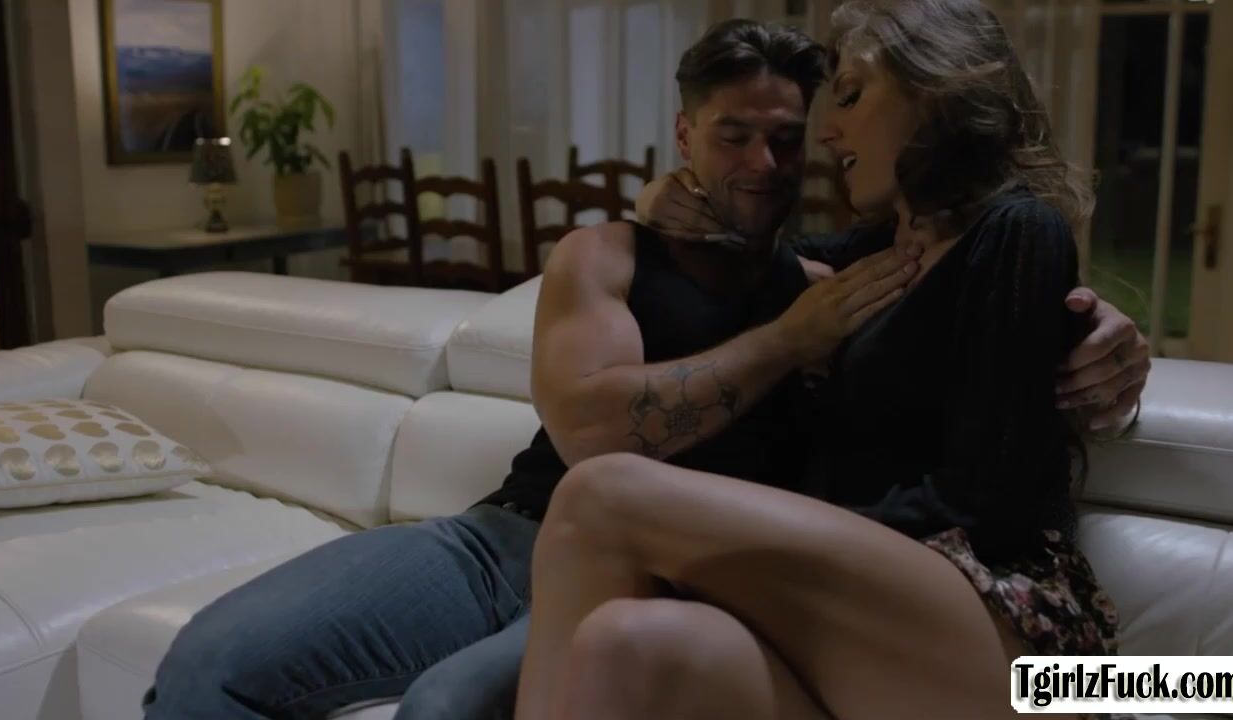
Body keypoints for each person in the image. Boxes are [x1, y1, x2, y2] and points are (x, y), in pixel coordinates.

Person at [143, 15, 1147, 720]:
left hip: (788, 576)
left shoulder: (869, 263)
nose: (771, 160)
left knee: (455, 696)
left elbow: (989, 432)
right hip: (513, 535)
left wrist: (1098, 332)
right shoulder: (632, 255)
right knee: (208, 661)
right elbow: (588, 433)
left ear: (930, 98)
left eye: (792, 136)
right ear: (682, 136)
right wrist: (782, 338)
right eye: (732, 136)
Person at [516, 4, 1133, 720]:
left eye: (850, 95)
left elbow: (987, 507)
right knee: (623, 643)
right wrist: (673, 193)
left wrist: (767, 544)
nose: (828, 131)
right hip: (880, 620)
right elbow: (751, 255)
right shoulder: (867, 257)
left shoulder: (1018, 230)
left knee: (602, 495)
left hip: (1009, 626)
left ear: (932, 91)